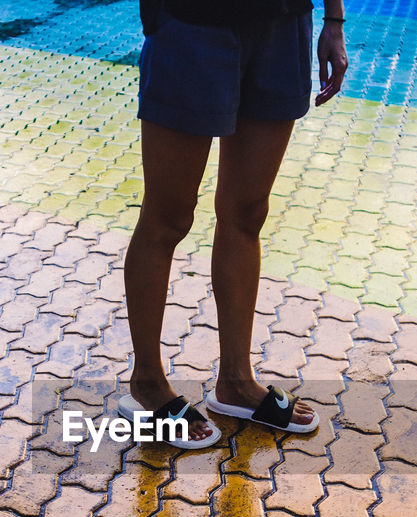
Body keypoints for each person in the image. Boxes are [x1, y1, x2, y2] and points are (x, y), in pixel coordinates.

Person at [117, 0, 349, 449]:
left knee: (246, 213)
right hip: (193, 26)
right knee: (167, 217)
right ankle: (147, 382)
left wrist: (334, 20)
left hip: (284, 27)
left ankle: (236, 382)